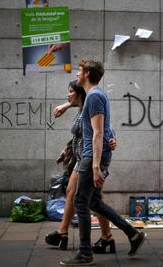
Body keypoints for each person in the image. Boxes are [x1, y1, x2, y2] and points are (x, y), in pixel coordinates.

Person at [60, 60, 146, 266]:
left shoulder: (95, 96)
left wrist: (95, 166)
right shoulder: (94, 96)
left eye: (80, 71)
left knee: (80, 202)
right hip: (92, 155)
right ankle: (133, 234)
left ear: (87, 74)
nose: (77, 74)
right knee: (94, 202)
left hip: (91, 156)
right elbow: (104, 128)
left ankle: (85, 253)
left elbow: (98, 132)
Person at [45, 80, 117, 253]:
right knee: (84, 197)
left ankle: (68, 235)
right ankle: (104, 237)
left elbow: (102, 127)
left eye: (71, 91)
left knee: (86, 198)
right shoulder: (80, 109)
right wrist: (66, 149)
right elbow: (80, 135)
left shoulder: (91, 104)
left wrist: (113, 139)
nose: (68, 94)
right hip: (81, 158)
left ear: (79, 94)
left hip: (91, 159)